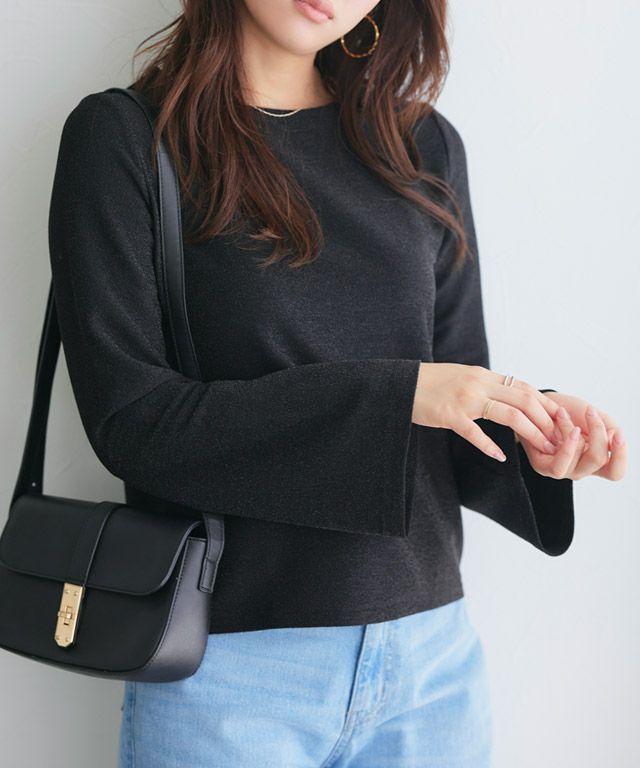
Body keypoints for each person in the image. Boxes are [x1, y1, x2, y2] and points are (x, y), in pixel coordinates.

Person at [47, 1, 627, 766]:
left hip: (432, 664)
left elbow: (451, 402)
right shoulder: (126, 138)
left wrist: (535, 433)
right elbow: (133, 422)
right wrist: (402, 394)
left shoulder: (421, 145)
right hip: (230, 674)